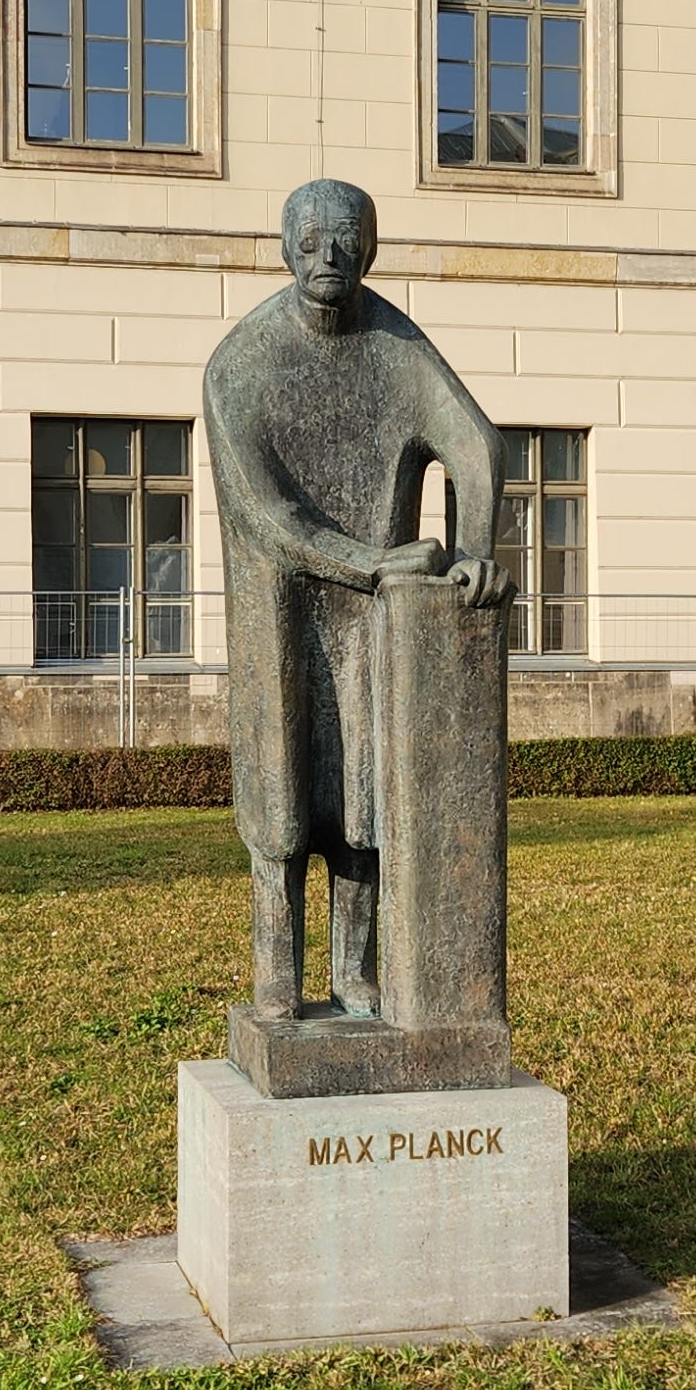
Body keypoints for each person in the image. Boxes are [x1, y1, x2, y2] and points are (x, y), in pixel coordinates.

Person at [202, 180, 513, 1020]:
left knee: (364, 797)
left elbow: (477, 446)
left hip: (373, 617)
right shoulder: (240, 366)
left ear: (370, 247)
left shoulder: (395, 347)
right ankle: (277, 973)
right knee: (281, 800)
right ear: (285, 247)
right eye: (310, 241)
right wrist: (374, 562)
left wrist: (474, 553)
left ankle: (353, 971)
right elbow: (268, 517)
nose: (328, 257)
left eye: (344, 239)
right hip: (281, 611)